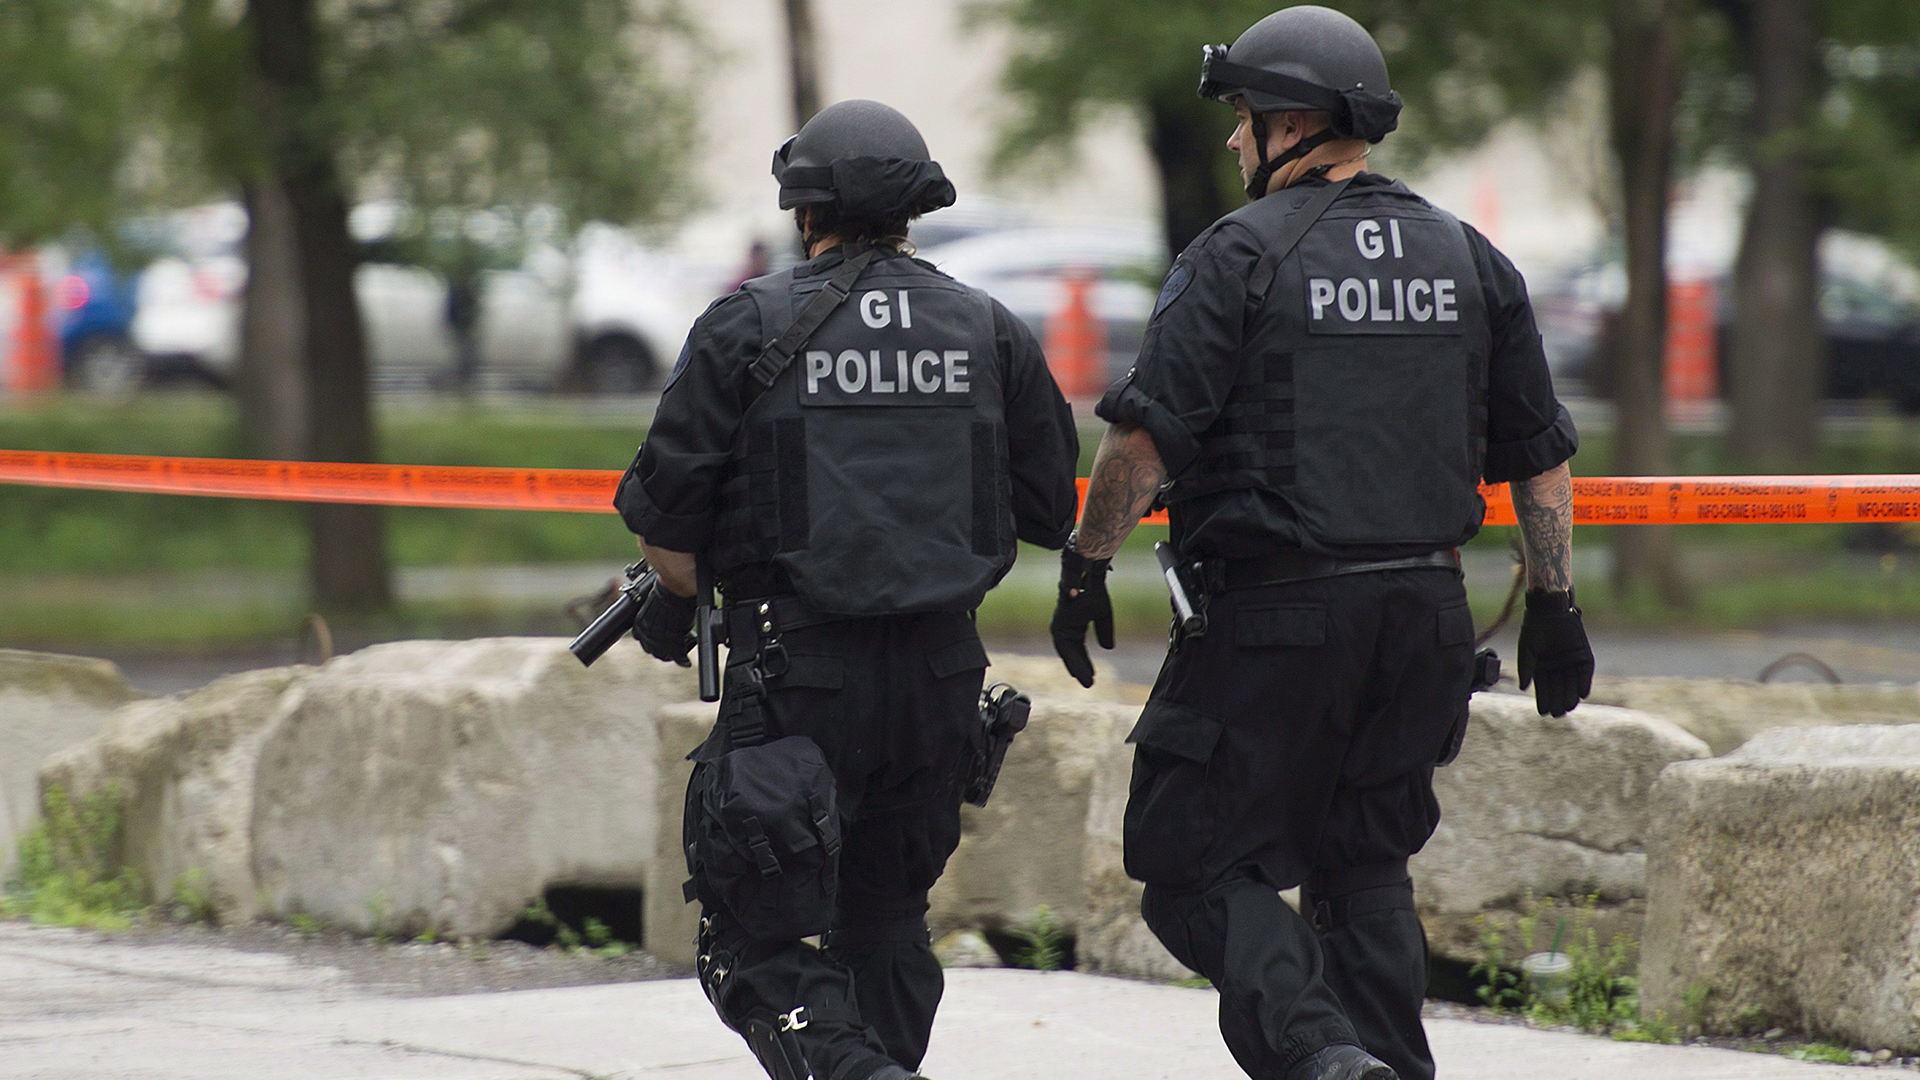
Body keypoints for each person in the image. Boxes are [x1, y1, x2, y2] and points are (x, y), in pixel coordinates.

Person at [1048, 7, 1595, 1080]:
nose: (1233, 141)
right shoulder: (1468, 256)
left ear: (1293, 122)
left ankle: (1324, 1055)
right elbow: (1539, 458)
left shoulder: (1238, 253)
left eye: (1243, 119)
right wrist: (1557, 606)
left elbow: (1145, 441)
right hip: (1427, 622)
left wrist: (1083, 563)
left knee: (1189, 865)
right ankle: (1384, 1067)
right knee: (1365, 867)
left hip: (1277, 619)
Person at [614, 98, 1081, 1080]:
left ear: (802, 207)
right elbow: (1047, 508)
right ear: (915, 207)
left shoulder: (747, 324)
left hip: (796, 680)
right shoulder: (988, 329)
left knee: (747, 937)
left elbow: (667, 538)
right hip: (944, 678)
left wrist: (691, 589)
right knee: (885, 921)